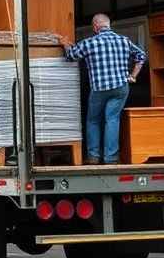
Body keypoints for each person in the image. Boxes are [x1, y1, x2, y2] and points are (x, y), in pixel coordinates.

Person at [61, 14, 146, 165]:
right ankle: (111, 158)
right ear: (109, 25)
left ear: (95, 27)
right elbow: (141, 55)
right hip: (121, 87)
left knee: (93, 121)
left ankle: (93, 156)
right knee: (112, 119)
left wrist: (65, 44)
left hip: (100, 88)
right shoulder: (123, 40)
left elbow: (70, 56)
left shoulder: (89, 43)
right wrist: (133, 75)